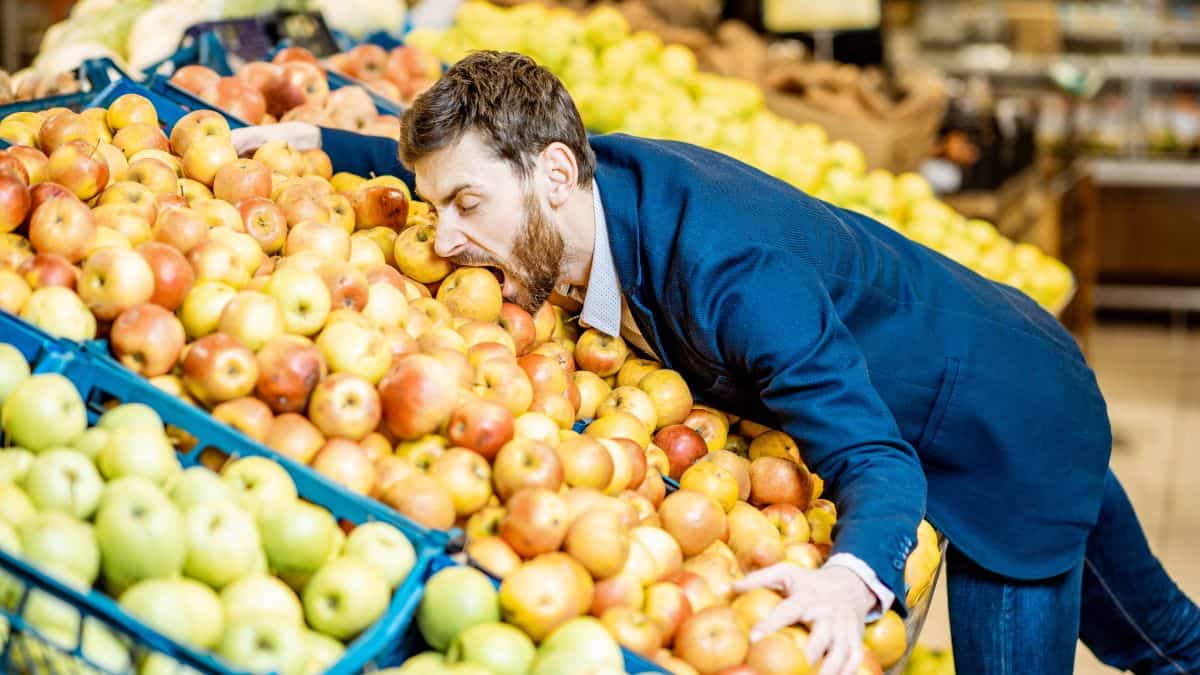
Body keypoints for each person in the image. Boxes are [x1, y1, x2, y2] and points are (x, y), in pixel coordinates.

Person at [232, 52, 1200, 675]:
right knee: (1157, 635)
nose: (443, 240)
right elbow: (478, 177)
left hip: (1002, 426)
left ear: (557, 176)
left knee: (1131, 639)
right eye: (436, 205)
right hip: (983, 352)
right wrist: (324, 142)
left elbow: (877, 458)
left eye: (466, 209)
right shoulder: (574, 185)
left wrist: (853, 576)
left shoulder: (734, 280)